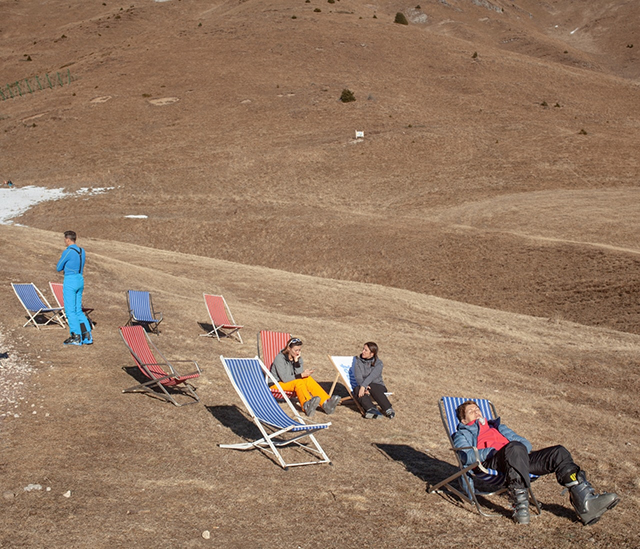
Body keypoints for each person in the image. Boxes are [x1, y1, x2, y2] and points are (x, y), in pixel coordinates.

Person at [453, 400, 620, 525]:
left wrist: (513, 449)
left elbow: (526, 444)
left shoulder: (497, 427)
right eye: (471, 411)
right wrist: (495, 451)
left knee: (558, 452)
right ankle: (521, 506)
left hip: (517, 456)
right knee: (514, 448)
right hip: (492, 463)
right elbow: (465, 456)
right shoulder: (464, 432)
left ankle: (585, 502)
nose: (477, 412)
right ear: (464, 419)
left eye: (478, 409)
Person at [270, 338, 341, 417]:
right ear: (288, 348)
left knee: (307, 379)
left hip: (289, 383)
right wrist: (301, 375)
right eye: (295, 350)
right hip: (276, 384)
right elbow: (285, 379)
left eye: (299, 350)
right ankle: (306, 404)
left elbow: (299, 374)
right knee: (299, 381)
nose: (298, 352)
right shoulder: (280, 358)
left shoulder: (298, 358)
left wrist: (296, 362)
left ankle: (326, 402)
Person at [56, 230, 92, 346]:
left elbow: (58, 267)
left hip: (70, 280)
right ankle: (87, 336)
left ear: (67, 239)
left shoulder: (68, 251)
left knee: (70, 310)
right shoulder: (82, 251)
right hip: (80, 279)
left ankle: (76, 336)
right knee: (78, 309)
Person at [353, 342, 395, 419]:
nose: (363, 351)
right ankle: (371, 409)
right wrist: (363, 387)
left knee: (371, 386)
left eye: (366, 350)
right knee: (357, 389)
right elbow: (358, 377)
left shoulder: (379, 363)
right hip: (364, 385)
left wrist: (363, 386)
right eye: (363, 349)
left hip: (377, 386)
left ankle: (388, 408)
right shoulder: (358, 362)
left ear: (372, 354)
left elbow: (372, 377)